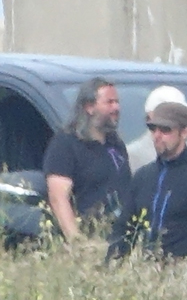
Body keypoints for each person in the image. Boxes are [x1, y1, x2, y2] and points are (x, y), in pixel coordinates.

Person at [108, 98, 187, 262]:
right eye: (153, 128)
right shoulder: (143, 177)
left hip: (186, 277)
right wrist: (110, 269)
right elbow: (123, 232)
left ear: (184, 132)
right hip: (146, 277)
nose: (157, 135)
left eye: (165, 130)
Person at [42, 77, 128, 242]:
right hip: (87, 243)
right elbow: (59, 198)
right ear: (89, 107)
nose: (116, 107)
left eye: (117, 102)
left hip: (117, 242)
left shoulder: (116, 144)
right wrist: (77, 242)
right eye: (109, 102)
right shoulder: (66, 144)